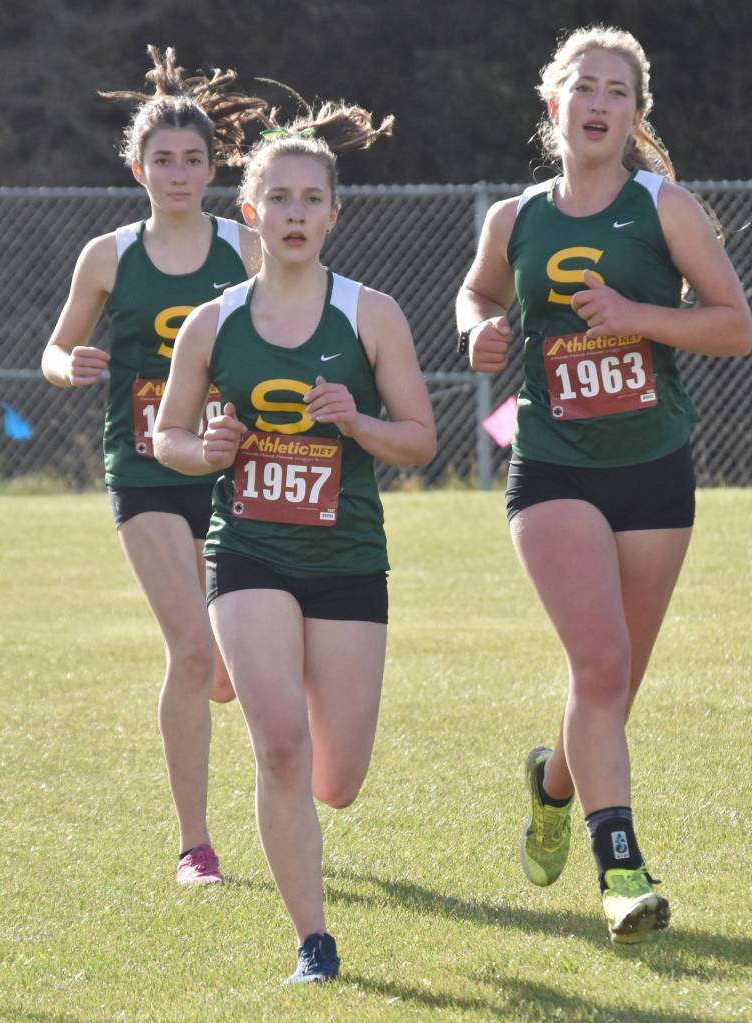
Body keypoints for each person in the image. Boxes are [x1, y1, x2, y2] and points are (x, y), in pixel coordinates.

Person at [456, 25, 752, 943]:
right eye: (582, 86)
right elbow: (478, 293)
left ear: (634, 114)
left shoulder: (665, 209)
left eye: (615, 91)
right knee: (598, 662)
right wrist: (481, 333)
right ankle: (620, 867)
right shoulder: (514, 217)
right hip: (552, 461)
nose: (597, 103)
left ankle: (552, 784)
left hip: (655, 465)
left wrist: (636, 316)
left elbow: (734, 326)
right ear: (554, 106)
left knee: (613, 680)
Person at [153, 102, 437, 982]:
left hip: (348, 558)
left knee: (335, 777)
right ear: (251, 213)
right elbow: (164, 436)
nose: (296, 214)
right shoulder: (213, 323)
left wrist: (357, 421)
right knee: (280, 743)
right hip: (248, 551)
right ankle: (314, 942)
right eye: (278, 198)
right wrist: (206, 449)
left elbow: (421, 440)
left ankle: (297, 791)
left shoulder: (372, 315)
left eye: (312, 199)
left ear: (333, 216)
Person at [41, 46, 268, 886]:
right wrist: (72, 366)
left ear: (214, 167)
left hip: (227, 468)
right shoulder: (108, 254)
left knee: (218, 658)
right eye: (163, 160)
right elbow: (57, 347)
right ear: (138, 168)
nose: (178, 173)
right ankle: (195, 846)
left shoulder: (244, 247)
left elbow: (285, 322)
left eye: (193, 159)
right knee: (191, 650)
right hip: (141, 469)